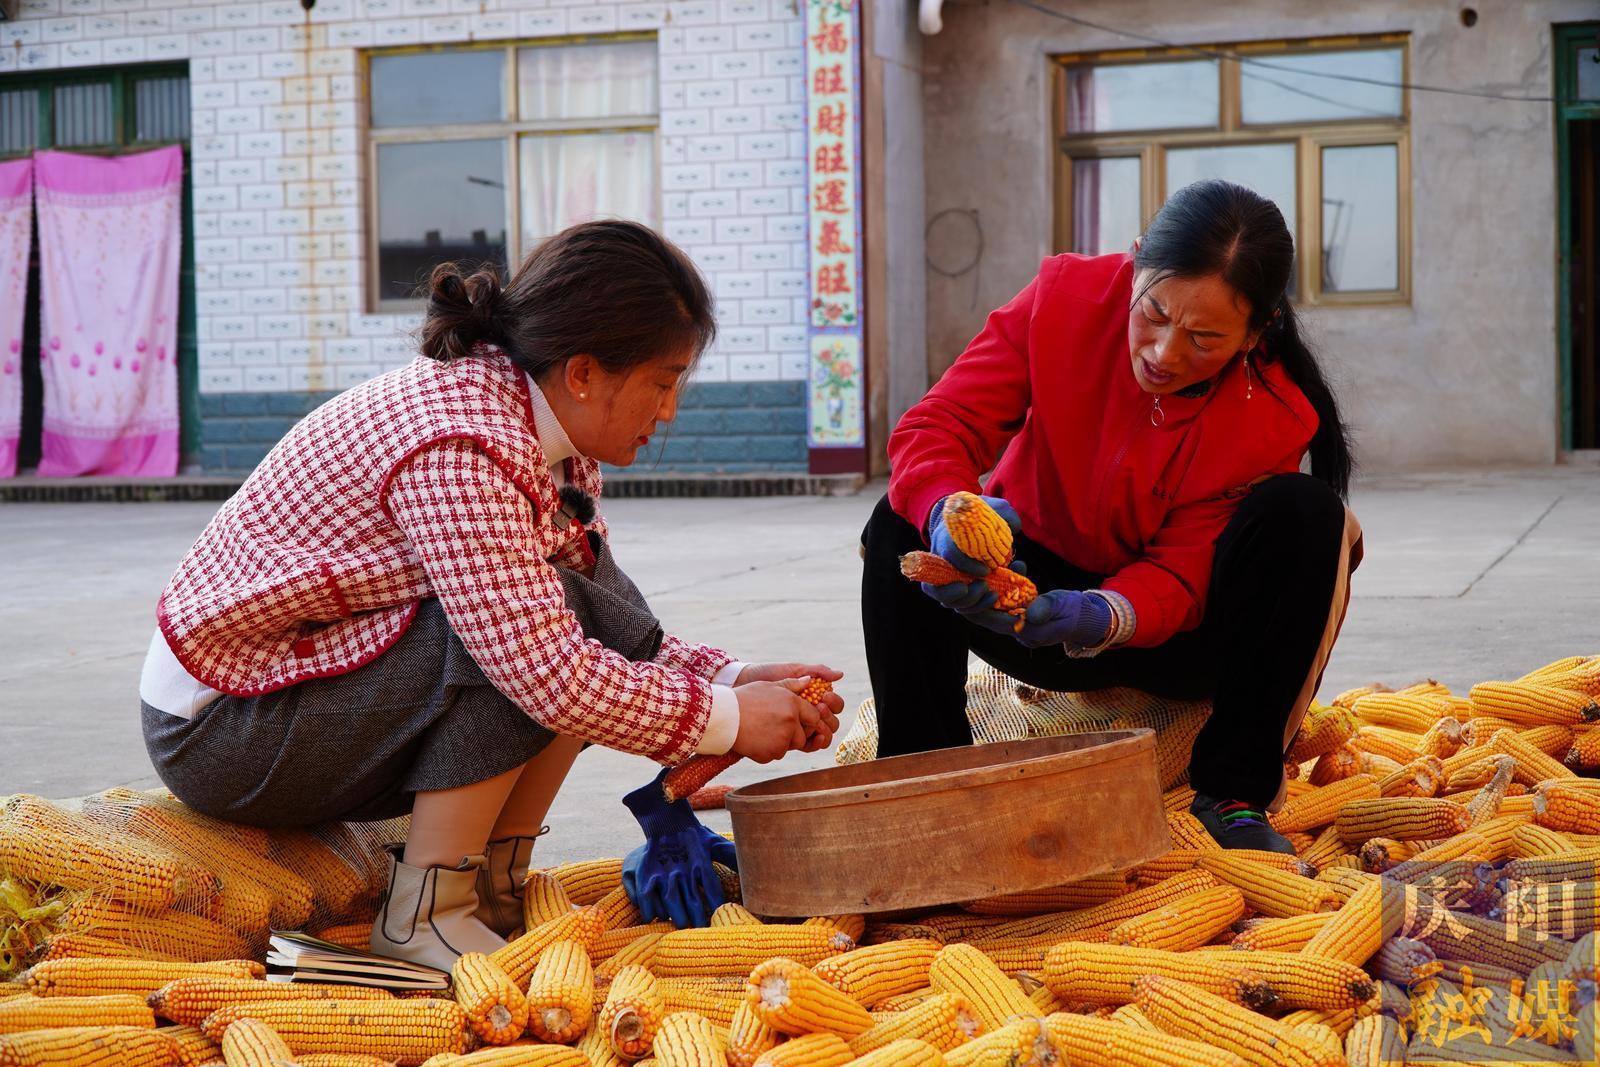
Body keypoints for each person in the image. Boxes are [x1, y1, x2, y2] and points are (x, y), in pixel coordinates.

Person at [139, 220, 846, 967]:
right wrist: (727, 719)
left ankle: (493, 887)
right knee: (526, 652)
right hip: (226, 725)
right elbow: (546, 671)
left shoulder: (541, 429)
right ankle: (426, 917)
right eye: (663, 384)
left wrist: (729, 677)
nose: (668, 412)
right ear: (582, 373)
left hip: (302, 688)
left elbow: (605, 607)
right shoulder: (462, 444)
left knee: (548, 616)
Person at [860, 180, 1363, 854]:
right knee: (898, 521)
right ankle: (924, 777)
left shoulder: (1274, 411)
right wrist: (954, 515)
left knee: (1310, 515)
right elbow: (941, 423)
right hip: (1015, 597)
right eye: (1152, 313)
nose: (1163, 353)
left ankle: (1234, 792)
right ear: (1133, 264)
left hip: (1163, 636)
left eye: (1204, 339)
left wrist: (1104, 613)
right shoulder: (1062, 299)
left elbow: (1187, 566)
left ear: (1256, 333)